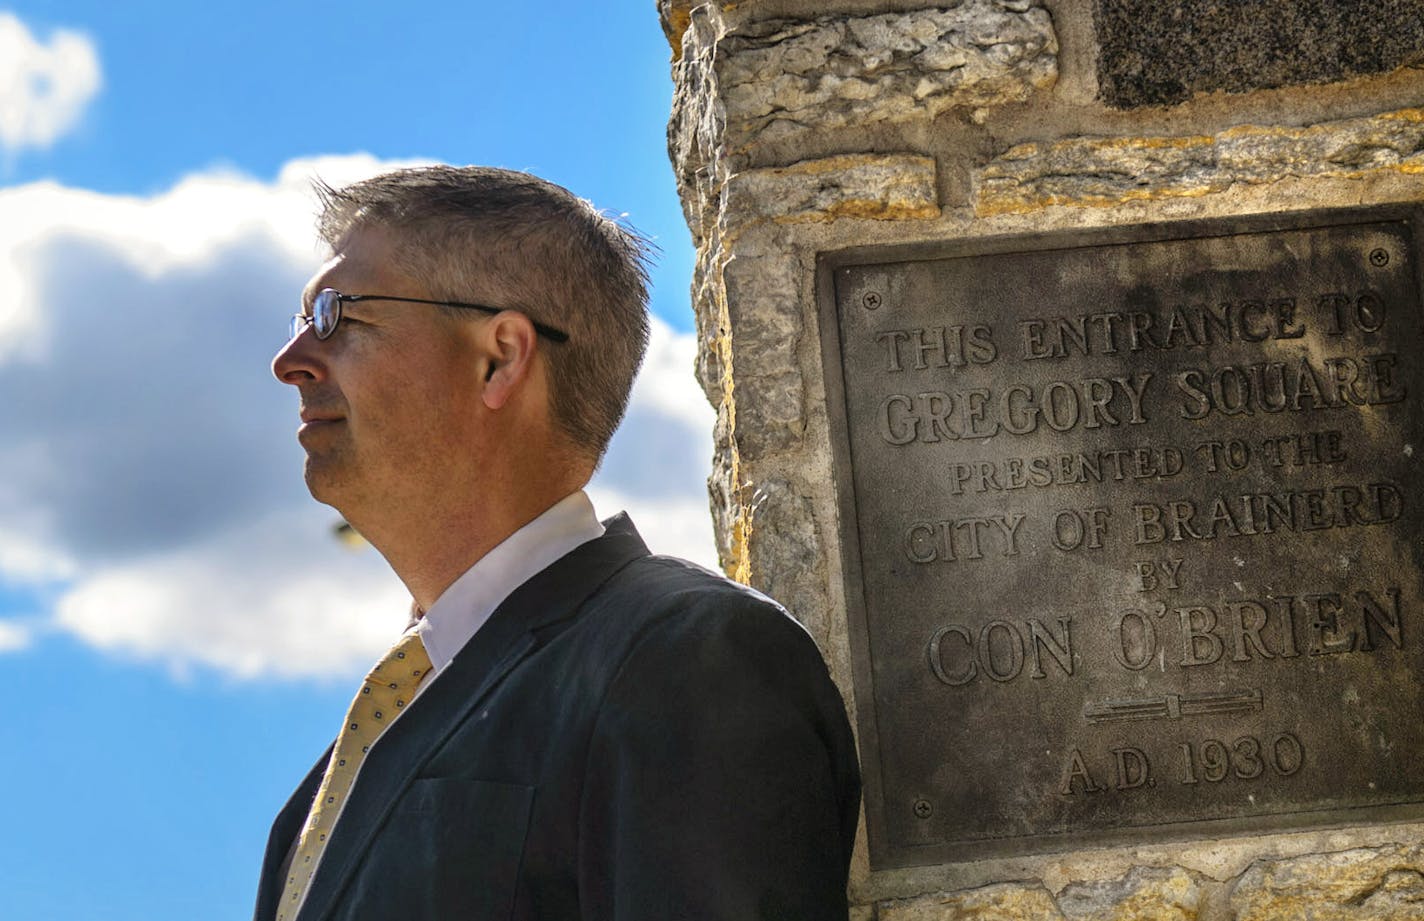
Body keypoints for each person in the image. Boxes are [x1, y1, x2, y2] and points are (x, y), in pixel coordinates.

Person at [252, 166, 861, 921]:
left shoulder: (686, 660)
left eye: (337, 314)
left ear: (501, 356)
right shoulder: (328, 788)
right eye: (300, 321)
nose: (291, 361)